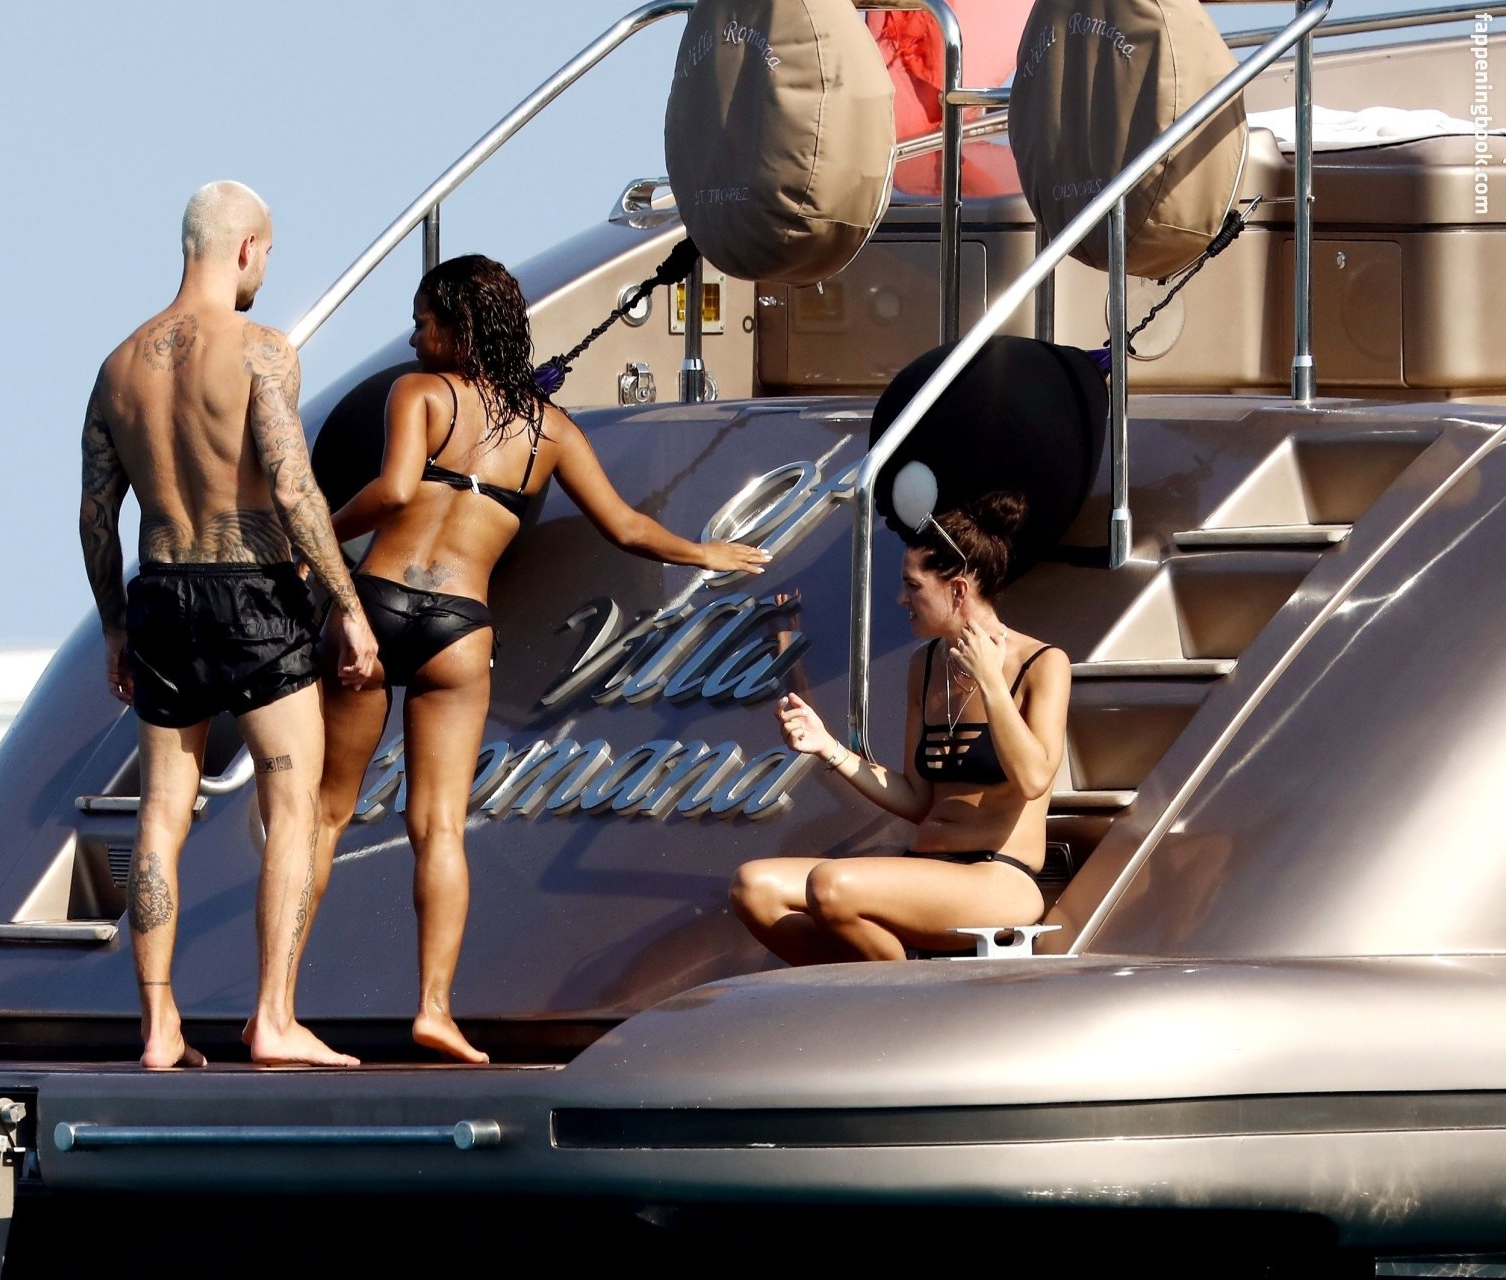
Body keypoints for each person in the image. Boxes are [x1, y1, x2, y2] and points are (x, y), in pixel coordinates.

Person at [313, 254, 772, 1062]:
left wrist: (310, 531)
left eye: (423, 322)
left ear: (458, 328)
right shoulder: (550, 430)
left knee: (324, 813)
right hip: (460, 625)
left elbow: (392, 492)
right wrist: (706, 552)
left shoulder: (419, 393)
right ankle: (435, 1010)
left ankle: (276, 1005)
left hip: (381, 603)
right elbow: (626, 527)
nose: (414, 339)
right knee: (441, 827)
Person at [79, 180, 377, 1069]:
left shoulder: (118, 368)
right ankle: (273, 1018)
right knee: (292, 803)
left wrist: (114, 628)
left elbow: (95, 517)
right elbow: (291, 485)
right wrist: (348, 606)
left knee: (161, 815)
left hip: (161, 593)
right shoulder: (259, 351)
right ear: (246, 248)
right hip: (252, 594)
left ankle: (159, 1027)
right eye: (267, 255)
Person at [729, 494, 1070, 962]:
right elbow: (916, 799)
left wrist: (991, 682)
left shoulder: (1043, 663)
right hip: (924, 867)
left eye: (912, 586)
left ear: (957, 591)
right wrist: (828, 747)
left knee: (831, 886)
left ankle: (902, 994)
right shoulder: (924, 666)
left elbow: (1033, 779)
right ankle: (874, 990)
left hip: (997, 876)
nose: (900, 599)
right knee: (753, 887)